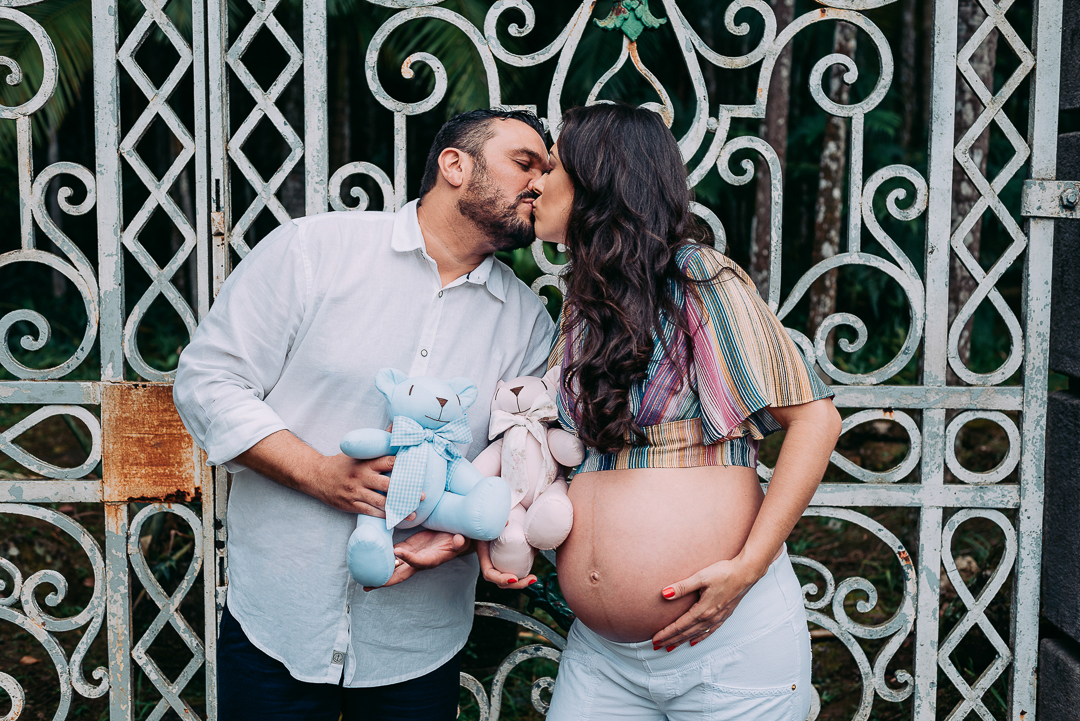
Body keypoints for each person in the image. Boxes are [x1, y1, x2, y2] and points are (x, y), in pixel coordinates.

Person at [173, 108, 555, 721]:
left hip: (419, 638)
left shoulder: (528, 323)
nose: (538, 183)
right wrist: (318, 473)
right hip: (279, 615)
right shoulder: (313, 252)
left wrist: (456, 536)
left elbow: (522, 460)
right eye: (524, 163)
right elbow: (207, 381)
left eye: (546, 171)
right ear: (454, 164)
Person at [478, 103, 842, 720]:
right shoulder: (580, 305)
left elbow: (816, 421)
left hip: (724, 647)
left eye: (555, 165)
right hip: (603, 657)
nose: (536, 182)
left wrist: (747, 568)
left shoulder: (699, 278)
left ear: (599, 180)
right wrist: (505, 526)